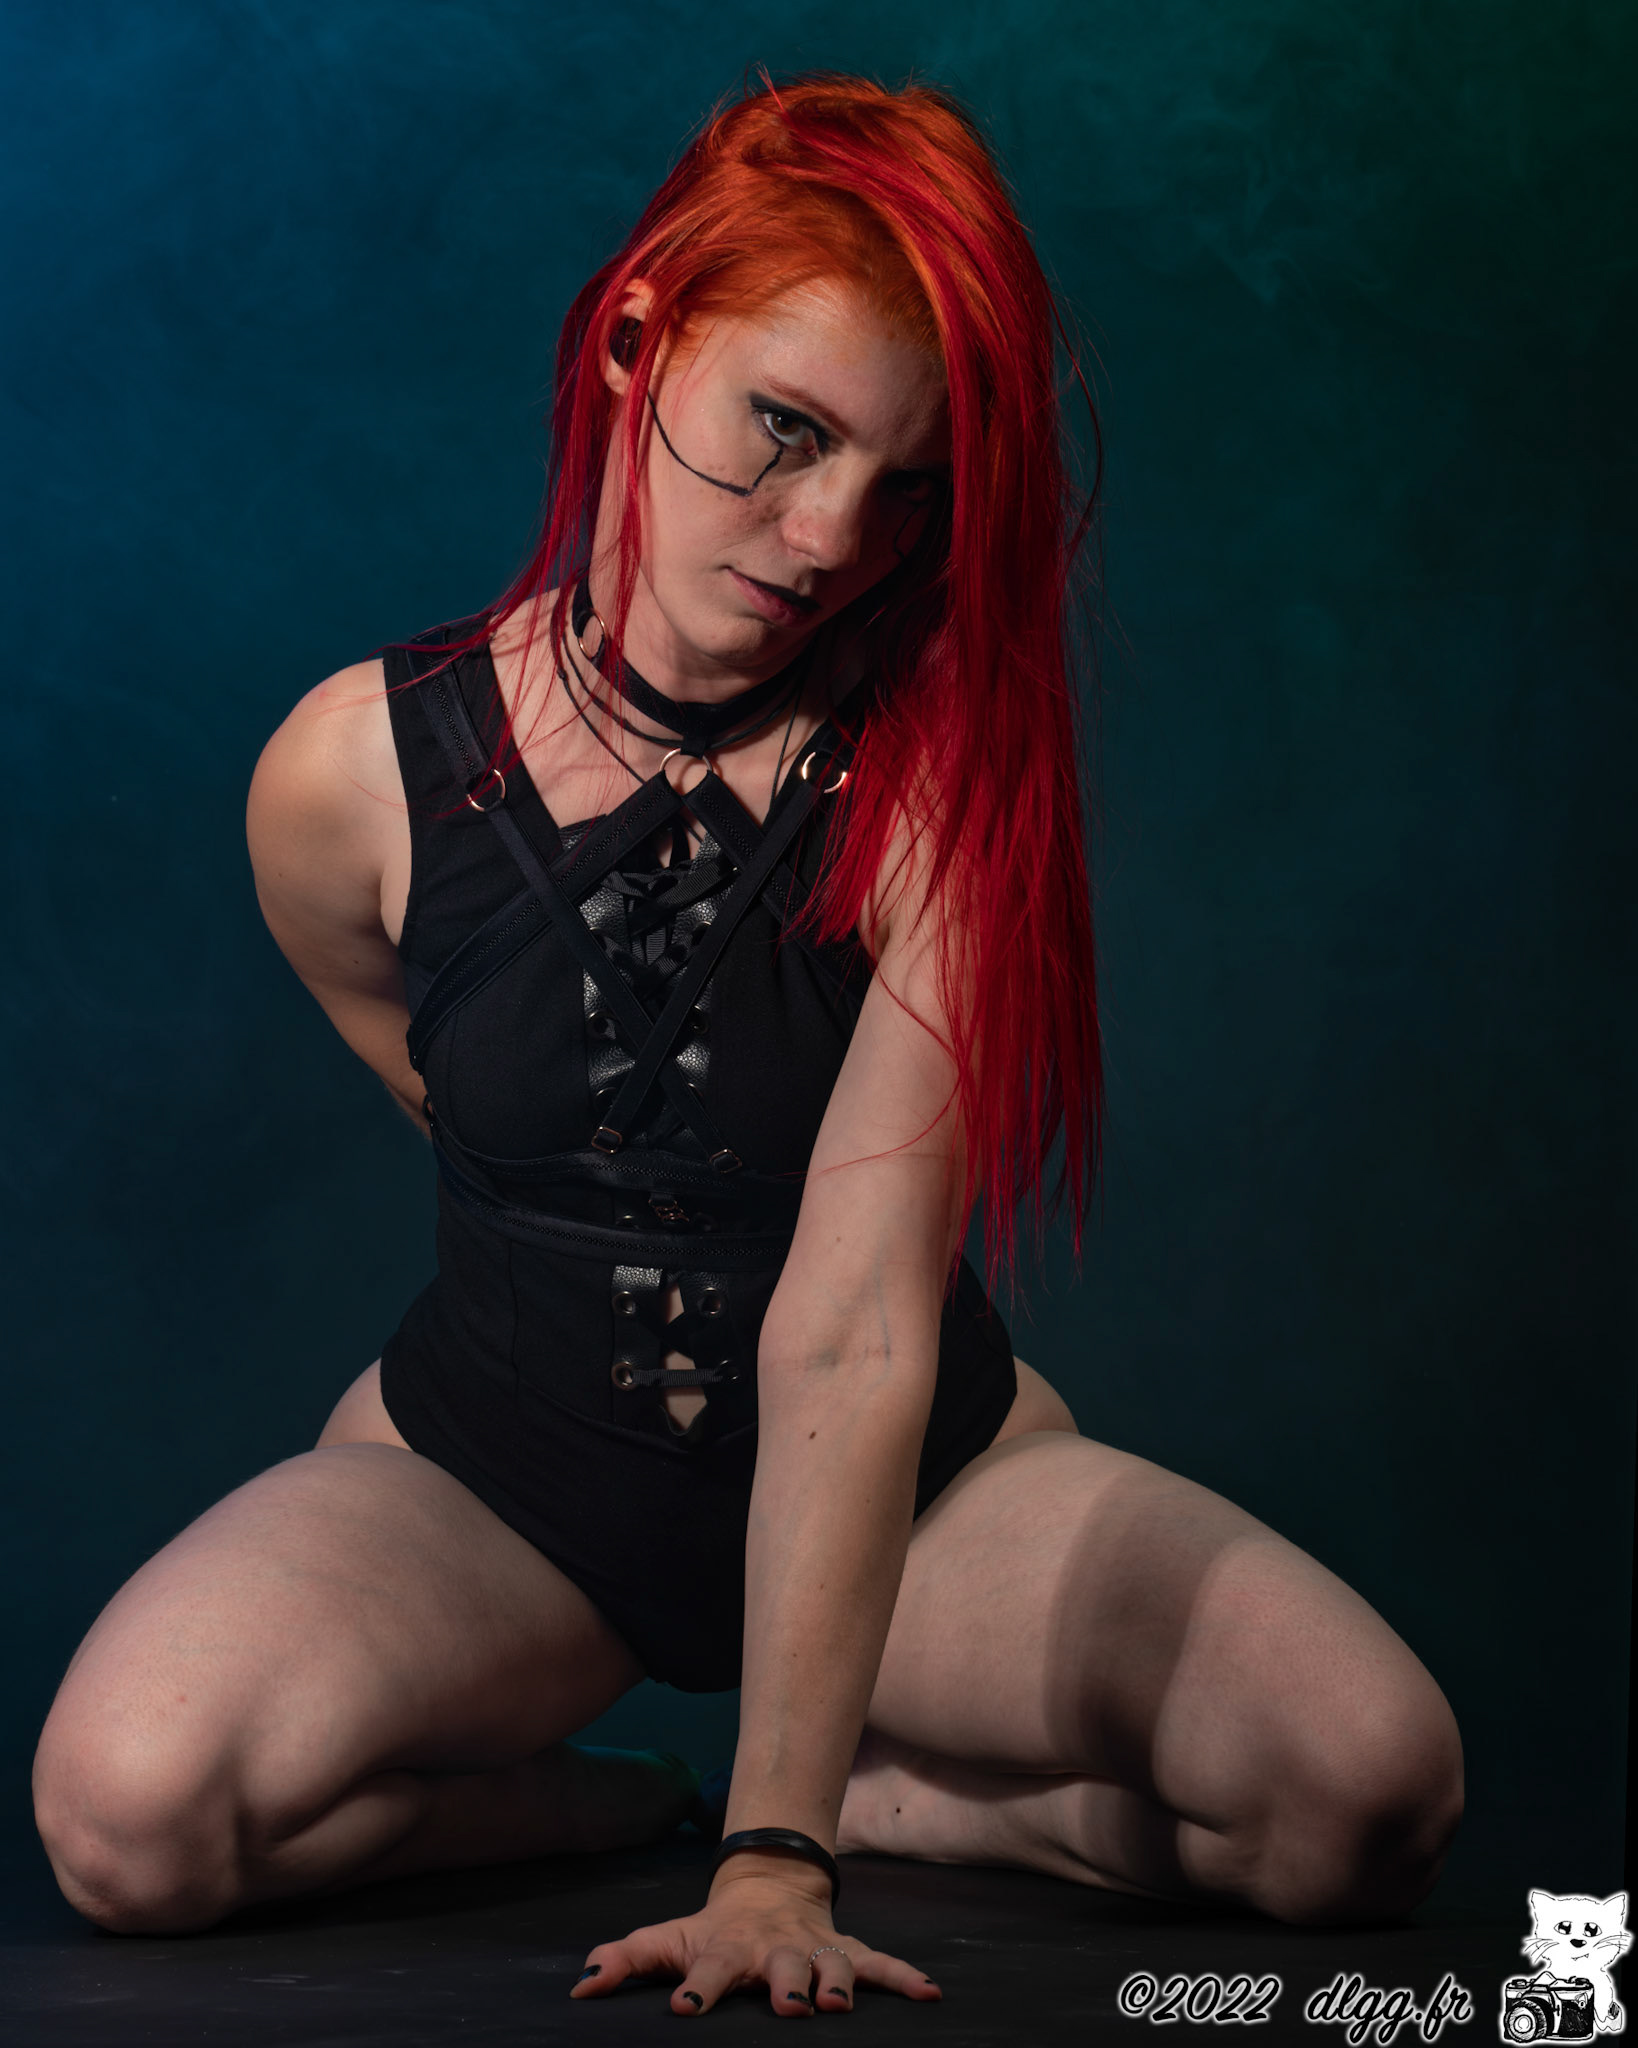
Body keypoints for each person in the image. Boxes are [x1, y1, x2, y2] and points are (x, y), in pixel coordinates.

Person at [32, 73, 1463, 2020]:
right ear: (638, 339)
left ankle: (896, 1800)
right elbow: (461, 1119)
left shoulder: (938, 795)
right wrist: (684, 1820)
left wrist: (782, 1851)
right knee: (132, 1826)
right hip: (507, 1488)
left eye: (904, 485)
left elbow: (858, 1323)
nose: (825, 535)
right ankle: (596, 1800)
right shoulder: (345, 774)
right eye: (787, 429)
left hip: (917, 1495)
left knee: (1362, 1798)